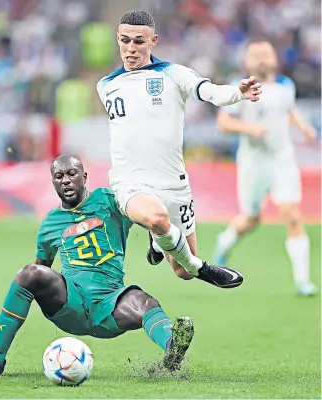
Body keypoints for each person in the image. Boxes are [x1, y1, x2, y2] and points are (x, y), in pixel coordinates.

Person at [0, 155, 194, 376]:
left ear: (84, 177)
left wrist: (154, 244)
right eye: (59, 176)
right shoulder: (50, 223)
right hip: (69, 304)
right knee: (29, 273)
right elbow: (35, 275)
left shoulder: (109, 200)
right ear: (53, 182)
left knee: (145, 302)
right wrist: (5, 328)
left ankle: (172, 348)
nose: (66, 180)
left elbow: (146, 213)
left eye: (71, 173)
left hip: (111, 305)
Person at [96, 10, 261, 288]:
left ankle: (160, 242)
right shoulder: (106, 86)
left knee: (182, 271)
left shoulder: (174, 74)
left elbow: (209, 92)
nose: (131, 48)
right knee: (158, 219)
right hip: (130, 182)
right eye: (125, 41)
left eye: (139, 41)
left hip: (173, 183)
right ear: (118, 39)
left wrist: (237, 93)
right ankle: (203, 269)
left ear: (153, 41)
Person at [213, 40, 317, 296]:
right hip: (253, 162)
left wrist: (303, 128)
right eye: (255, 55)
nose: (261, 59)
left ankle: (303, 280)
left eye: (266, 54)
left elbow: (289, 110)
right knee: (251, 219)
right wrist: (249, 129)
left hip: (282, 159)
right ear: (247, 61)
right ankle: (224, 242)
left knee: (291, 214)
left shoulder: (285, 86)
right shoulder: (241, 88)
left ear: (274, 58)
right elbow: (224, 123)